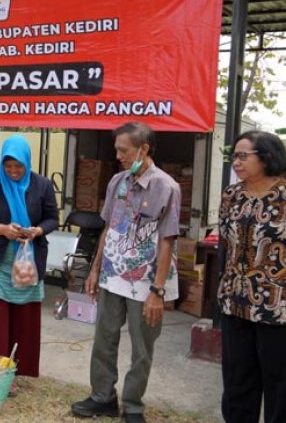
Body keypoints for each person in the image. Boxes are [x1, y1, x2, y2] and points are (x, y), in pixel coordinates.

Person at [71, 122, 180, 423]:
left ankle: (132, 406)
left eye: (123, 149)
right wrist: (95, 269)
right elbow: (109, 227)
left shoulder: (167, 187)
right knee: (103, 338)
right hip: (112, 275)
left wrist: (157, 291)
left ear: (143, 149)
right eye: (117, 149)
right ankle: (102, 397)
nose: (118, 155)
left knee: (142, 346)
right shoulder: (117, 181)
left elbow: (168, 241)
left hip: (146, 282)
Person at [0, 134, 59, 394]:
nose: (13, 171)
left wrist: (38, 231)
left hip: (26, 265)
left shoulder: (41, 186)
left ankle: (13, 372)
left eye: (18, 166)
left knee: (22, 320)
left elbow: (53, 218)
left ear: (27, 163)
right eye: (8, 166)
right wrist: (0, 229)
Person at [216, 131, 286, 423]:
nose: (237, 162)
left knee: (280, 385)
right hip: (236, 302)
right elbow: (225, 240)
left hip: (278, 308)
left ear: (267, 157)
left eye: (244, 156)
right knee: (237, 381)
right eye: (235, 156)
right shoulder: (232, 195)